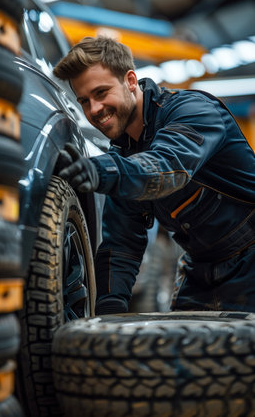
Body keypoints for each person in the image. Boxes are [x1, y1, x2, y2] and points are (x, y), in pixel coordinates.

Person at [53, 36, 255, 315]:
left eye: (101, 93)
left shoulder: (192, 111)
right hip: (201, 270)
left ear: (131, 80)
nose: (94, 110)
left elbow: (165, 167)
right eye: (84, 101)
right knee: (177, 355)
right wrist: (107, 317)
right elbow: (121, 245)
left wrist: (100, 170)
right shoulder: (123, 156)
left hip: (251, 257)